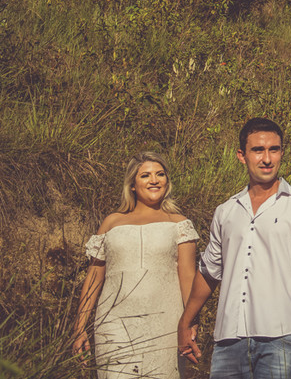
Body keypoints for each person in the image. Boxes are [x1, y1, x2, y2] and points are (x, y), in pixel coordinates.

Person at [178, 117, 291, 379]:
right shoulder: (225, 212)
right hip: (228, 340)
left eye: (274, 149)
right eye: (258, 150)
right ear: (242, 155)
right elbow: (209, 273)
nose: (267, 159)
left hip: (281, 339)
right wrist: (185, 321)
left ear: (282, 152)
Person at [72, 152, 200, 379]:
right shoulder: (112, 222)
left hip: (166, 324)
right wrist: (80, 327)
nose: (154, 180)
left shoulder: (179, 223)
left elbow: (188, 278)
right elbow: (94, 277)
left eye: (160, 174)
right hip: (113, 324)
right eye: (145, 175)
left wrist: (190, 323)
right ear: (132, 184)